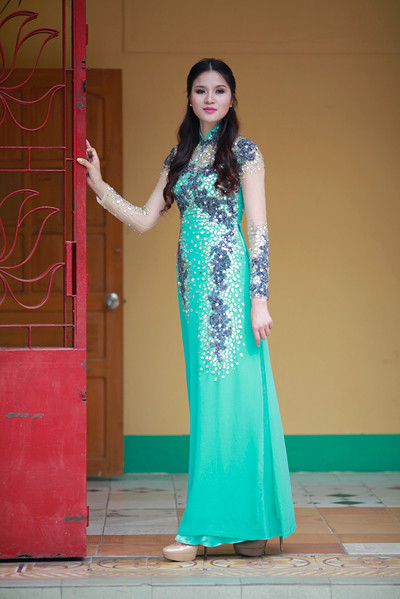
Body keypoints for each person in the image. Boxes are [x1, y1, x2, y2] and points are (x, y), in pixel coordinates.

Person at [78, 57, 296, 562]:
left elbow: (258, 231)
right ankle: (248, 527)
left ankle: (203, 529)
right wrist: (100, 186)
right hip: (192, 295)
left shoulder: (244, 152)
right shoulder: (179, 155)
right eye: (201, 90)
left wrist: (260, 300)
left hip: (231, 294)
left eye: (219, 90)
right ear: (190, 98)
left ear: (232, 97)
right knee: (209, 404)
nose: (210, 98)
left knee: (231, 403)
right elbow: (144, 220)